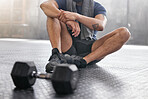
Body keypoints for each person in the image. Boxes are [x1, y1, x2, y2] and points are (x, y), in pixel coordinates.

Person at [40, 0, 131, 73]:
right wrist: (67, 20)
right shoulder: (64, 2)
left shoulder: (97, 7)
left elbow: (100, 25)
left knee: (124, 33)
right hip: (68, 45)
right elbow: (45, 5)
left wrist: (77, 17)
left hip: (90, 49)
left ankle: (82, 62)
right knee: (51, 15)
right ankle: (57, 55)